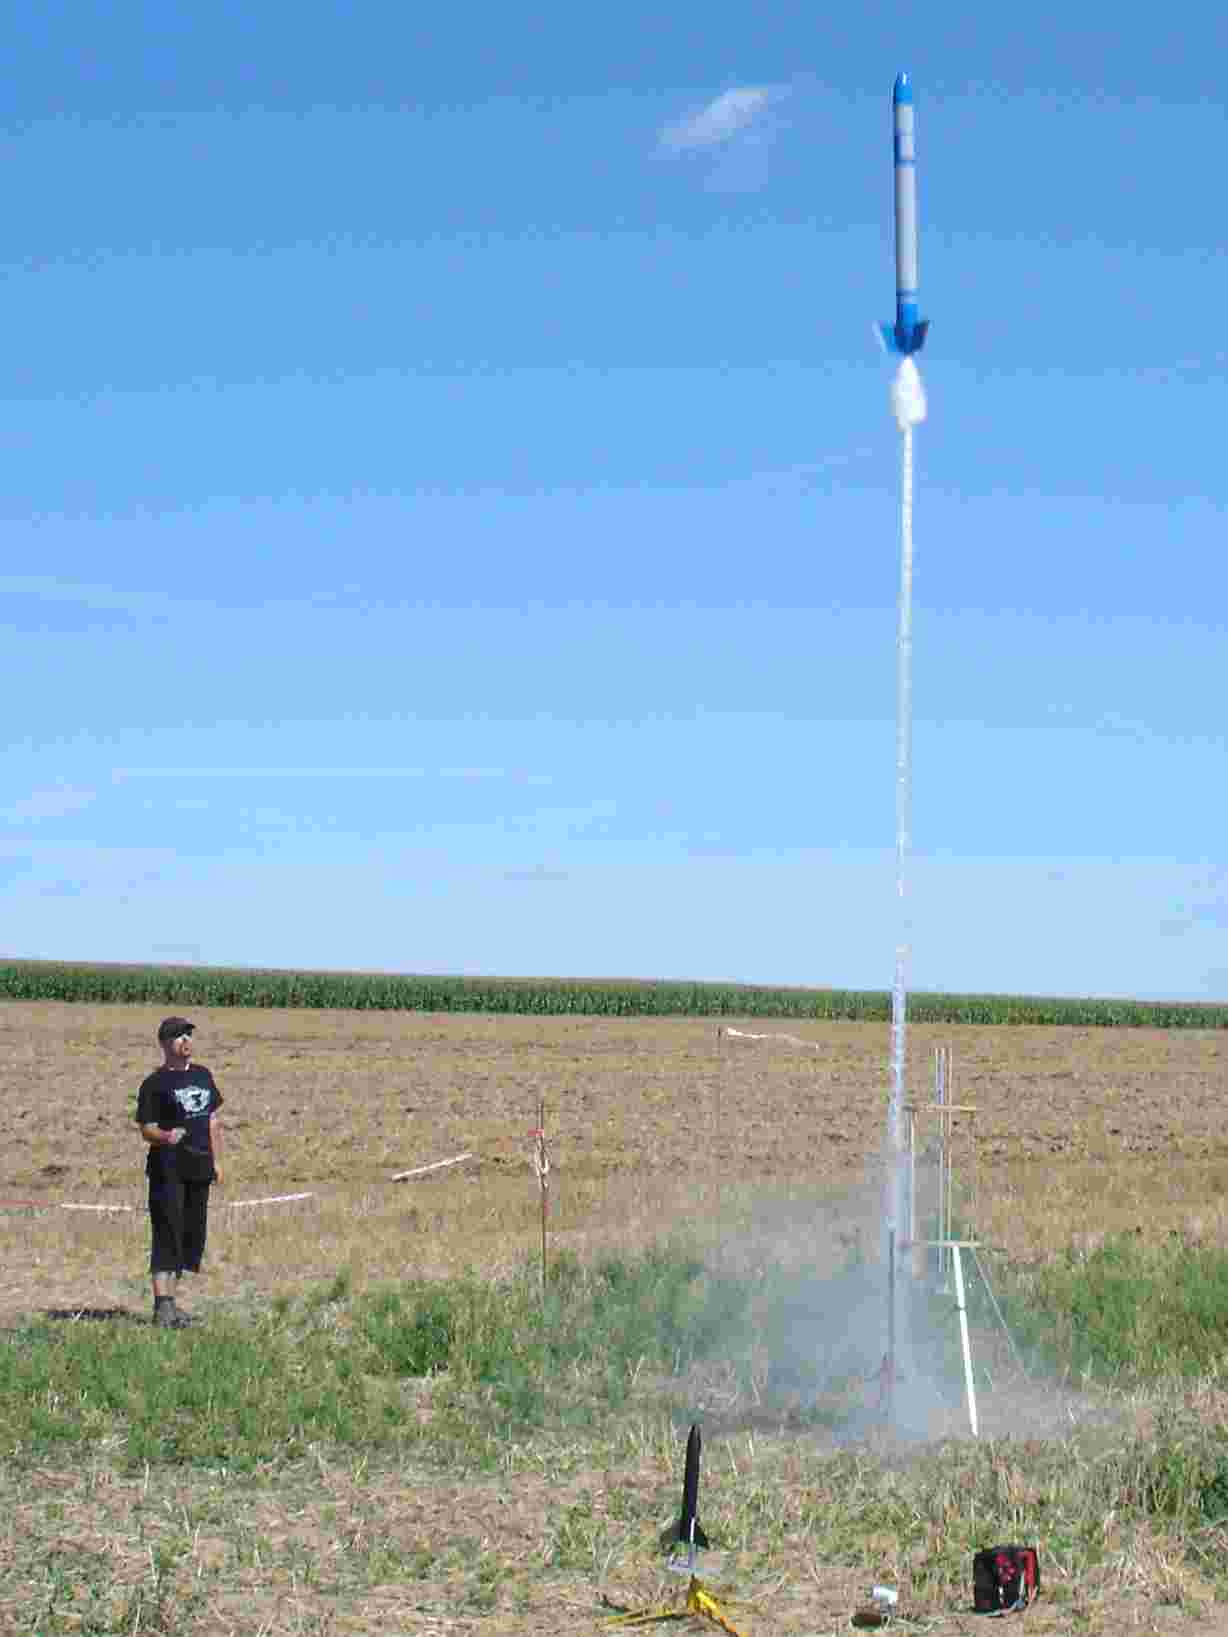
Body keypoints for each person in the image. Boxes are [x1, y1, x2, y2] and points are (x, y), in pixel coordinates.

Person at [136, 1017, 224, 1328]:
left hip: (199, 1167)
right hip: (168, 1170)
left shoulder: (203, 1075)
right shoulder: (154, 1084)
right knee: (167, 1233)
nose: (186, 1040)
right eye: (178, 1036)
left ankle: (172, 1305)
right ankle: (163, 1308)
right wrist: (166, 1136)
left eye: (188, 1035)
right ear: (164, 1044)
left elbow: (212, 1120)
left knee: (189, 1236)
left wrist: (217, 1161)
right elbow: (146, 1129)